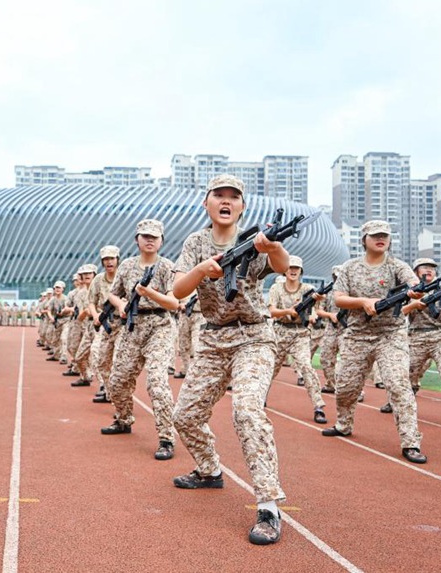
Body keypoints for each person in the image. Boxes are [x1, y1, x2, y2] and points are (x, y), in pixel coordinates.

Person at [171, 174, 290, 545]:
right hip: (212, 338)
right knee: (185, 416)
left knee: (247, 410)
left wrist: (269, 247)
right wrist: (201, 270)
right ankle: (209, 470)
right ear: (206, 204)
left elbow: (283, 267)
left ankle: (269, 505)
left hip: (254, 337)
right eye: (218, 196)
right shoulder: (195, 243)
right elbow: (177, 290)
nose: (226, 201)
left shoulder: (254, 240)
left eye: (233, 197)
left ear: (242, 205)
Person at [323, 220, 427, 464]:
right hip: (357, 335)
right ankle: (343, 424)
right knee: (346, 387)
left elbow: (414, 284)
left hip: (390, 335)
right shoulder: (349, 268)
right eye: (375, 235)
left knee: (399, 386)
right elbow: (338, 299)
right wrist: (363, 302)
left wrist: (416, 291)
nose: (381, 239)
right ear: (364, 239)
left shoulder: (397, 266)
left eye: (385, 236)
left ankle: (411, 442)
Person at [102, 220, 181, 462]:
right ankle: (124, 418)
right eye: (145, 236)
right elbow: (113, 293)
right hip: (133, 328)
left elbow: (174, 303)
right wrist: (122, 304)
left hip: (160, 326)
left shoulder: (167, 267)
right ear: (137, 239)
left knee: (156, 382)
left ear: (161, 241)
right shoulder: (126, 266)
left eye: (155, 237)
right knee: (116, 381)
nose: (150, 240)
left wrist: (148, 293)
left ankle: (166, 438)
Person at [267, 256, 327, 424]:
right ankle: (260, 397)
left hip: (300, 334)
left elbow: (315, 310)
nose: (293, 271)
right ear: (285, 270)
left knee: (307, 368)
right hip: (280, 332)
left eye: (297, 268)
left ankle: (318, 406)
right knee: (270, 369)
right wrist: (288, 311)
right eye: (290, 267)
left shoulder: (308, 289)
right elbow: (271, 311)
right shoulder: (276, 288)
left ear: (301, 271)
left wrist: (313, 315)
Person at [392, 258, 441, 411]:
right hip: (416, 338)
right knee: (404, 376)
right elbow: (396, 315)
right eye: (424, 267)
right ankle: (399, 400)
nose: (429, 270)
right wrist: (413, 304)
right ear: (416, 271)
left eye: (432, 267)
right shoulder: (409, 292)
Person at [88, 246, 121, 403]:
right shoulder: (98, 280)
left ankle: (117, 396)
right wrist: (96, 316)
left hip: (122, 325)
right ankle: (108, 389)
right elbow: (91, 302)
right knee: (99, 360)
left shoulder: (124, 275)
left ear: (117, 259)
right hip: (105, 323)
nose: (109, 262)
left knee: (118, 362)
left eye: (112, 258)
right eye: (106, 259)